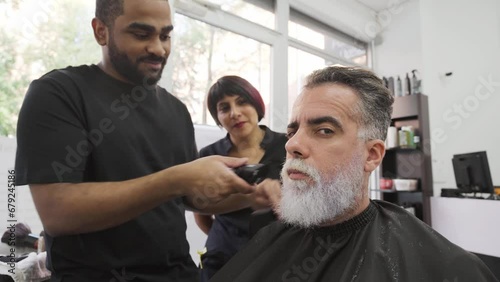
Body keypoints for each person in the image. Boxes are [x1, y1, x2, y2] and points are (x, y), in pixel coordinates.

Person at [13, 0, 271, 281]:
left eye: (165, 35)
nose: (159, 49)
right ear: (101, 31)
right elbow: (57, 213)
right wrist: (177, 178)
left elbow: (188, 197)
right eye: (141, 34)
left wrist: (248, 197)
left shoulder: (176, 110)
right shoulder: (59, 94)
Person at [210, 66, 499, 282]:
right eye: (292, 130)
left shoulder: (444, 265)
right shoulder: (268, 239)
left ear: (372, 155)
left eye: (324, 130)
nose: (292, 144)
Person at [193, 75, 287, 281]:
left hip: (276, 256)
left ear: (256, 104)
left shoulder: (287, 146)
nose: (235, 113)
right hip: (221, 259)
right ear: (218, 117)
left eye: (242, 102)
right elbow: (200, 211)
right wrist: (224, 238)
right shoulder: (209, 155)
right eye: (224, 108)